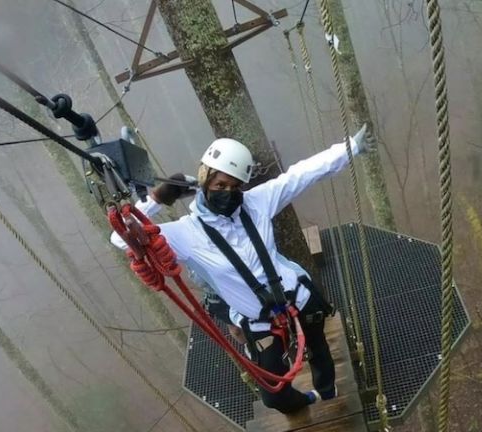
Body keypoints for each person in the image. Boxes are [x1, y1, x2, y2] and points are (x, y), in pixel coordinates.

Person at [111, 126, 368, 414]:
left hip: (298, 296)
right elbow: (122, 238)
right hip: (258, 320)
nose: (228, 193)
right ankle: (304, 400)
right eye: (221, 185)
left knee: (318, 344)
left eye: (235, 186)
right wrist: (157, 199)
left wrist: (349, 148)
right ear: (205, 179)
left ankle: (326, 391)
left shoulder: (256, 202)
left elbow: (302, 175)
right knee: (275, 397)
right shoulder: (186, 234)